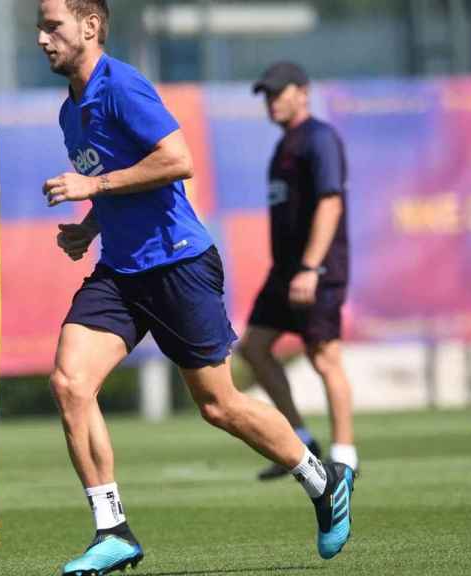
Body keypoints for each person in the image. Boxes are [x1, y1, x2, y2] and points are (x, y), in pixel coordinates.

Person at [36, 2, 355, 574]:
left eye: (52, 25)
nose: (42, 38)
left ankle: (320, 476)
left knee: (218, 404)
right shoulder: (70, 112)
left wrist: (93, 184)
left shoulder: (123, 86)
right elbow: (118, 186)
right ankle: (113, 528)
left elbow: (177, 160)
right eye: (39, 26)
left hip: (178, 264)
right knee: (69, 382)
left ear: (90, 26)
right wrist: (90, 225)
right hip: (121, 271)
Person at [238, 61, 359, 482]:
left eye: (278, 92)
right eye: (267, 95)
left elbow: (331, 202)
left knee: (324, 357)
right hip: (285, 271)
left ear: (303, 92)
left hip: (316, 269)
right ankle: (301, 439)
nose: (271, 101)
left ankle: (345, 457)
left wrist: (310, 268)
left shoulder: (320, 138)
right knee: (254, 347)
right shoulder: (284, 145)